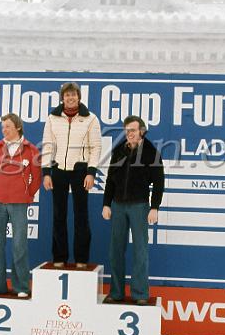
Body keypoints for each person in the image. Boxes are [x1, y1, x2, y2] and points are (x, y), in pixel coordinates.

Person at [102, 115, 164, 305]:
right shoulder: (119, 151)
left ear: (142, 132)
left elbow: (159, 182)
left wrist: (154, 207)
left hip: (139, 207)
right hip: (118, 206)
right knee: (115, 251)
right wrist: (106, 204)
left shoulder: (151, 153)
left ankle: (140, 294)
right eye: (127, 130)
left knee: (140, 251)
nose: (130, 133)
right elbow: (110, 179)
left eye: (133, 130)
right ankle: (116, 292)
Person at [42, 82, 102, 269]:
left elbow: (96, 147)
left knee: (81, 216)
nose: (70, 98)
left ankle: (81, 259)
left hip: (80, 171)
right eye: (67, 95)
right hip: (58, 170)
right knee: (58, 215)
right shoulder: (52, 118)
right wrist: (46, 173)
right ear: (62, 98)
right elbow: (47, 145)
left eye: (73, 95)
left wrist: (91, 172)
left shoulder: (91, 118)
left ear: (79, 97)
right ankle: (59, 257)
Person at [0, 113, 41, 297]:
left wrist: (27, 193)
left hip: (19, 203)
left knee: (19, 245)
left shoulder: (31, 150)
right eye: (2, 127)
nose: (4, 130)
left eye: (7, 126)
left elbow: (37, 178)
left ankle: (21, 287)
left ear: (18, 127)